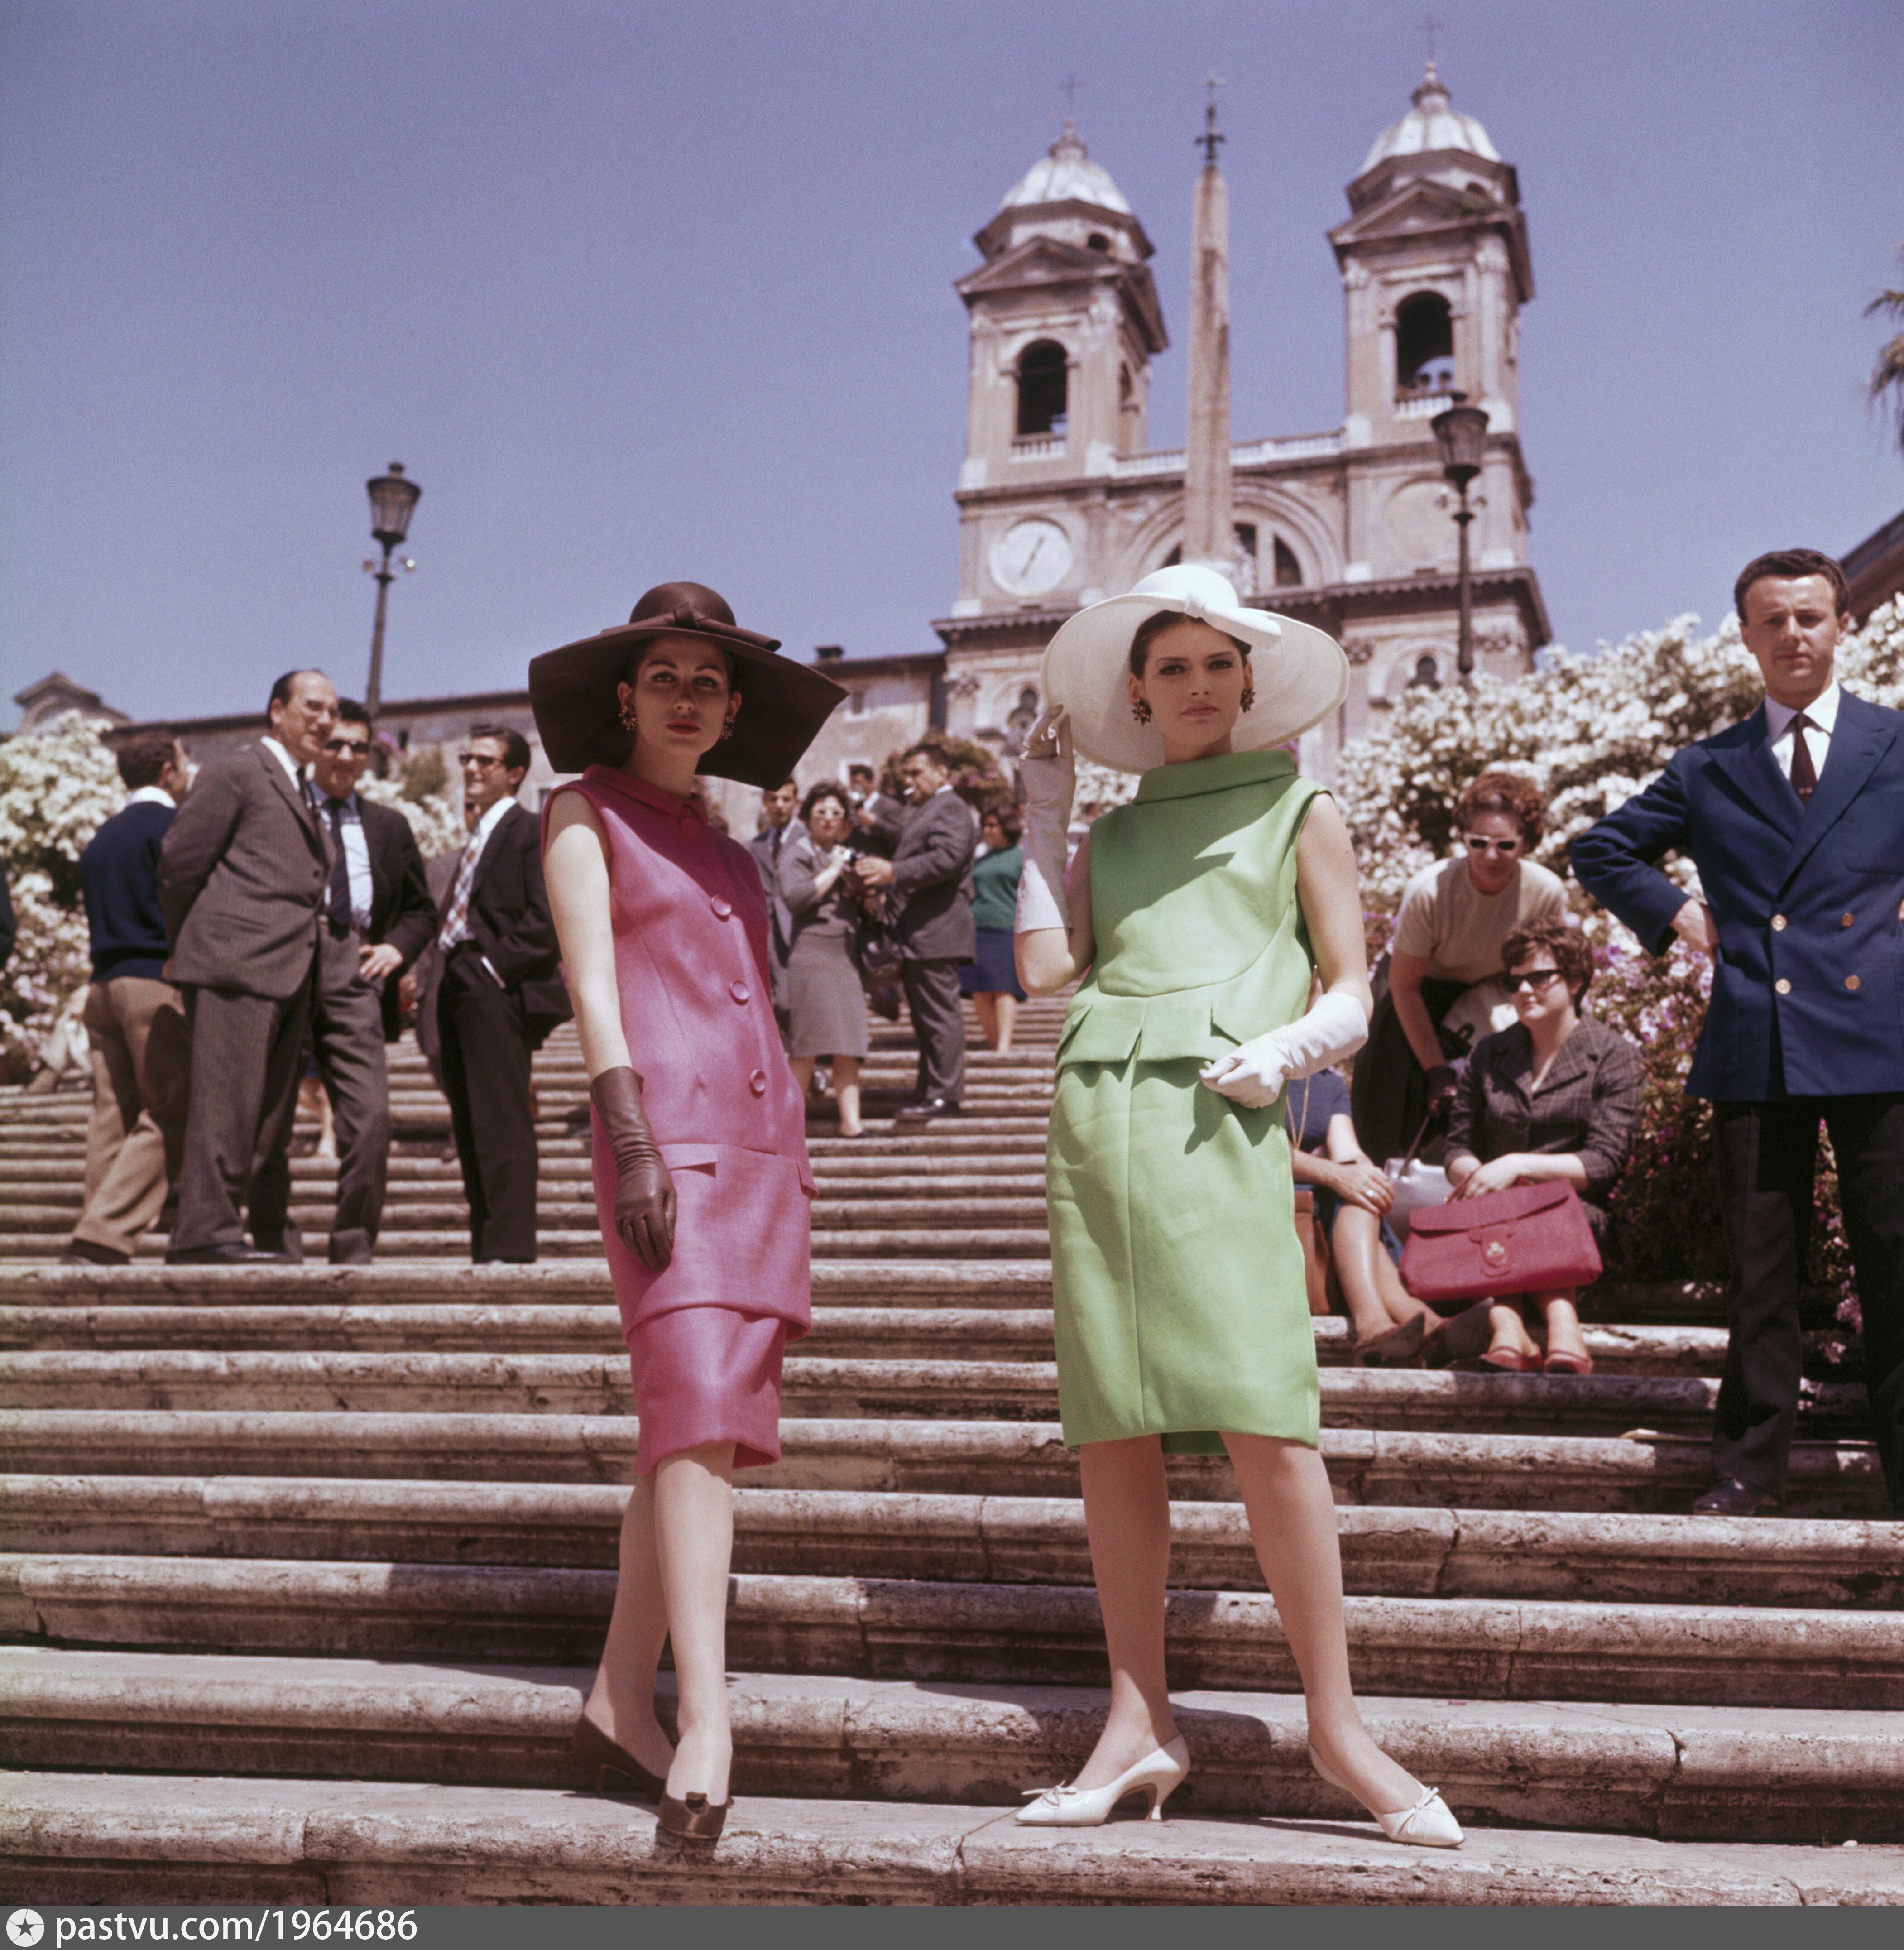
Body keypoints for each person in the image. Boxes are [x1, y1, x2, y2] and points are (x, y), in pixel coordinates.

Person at [1012, 564, 1461, 1847]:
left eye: (1218, 663)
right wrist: (1041, 818)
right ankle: (1135, 1720)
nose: (1197, 684)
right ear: (1137, 693)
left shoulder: (1298, 807)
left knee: (1267, 1421)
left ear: (1249, 681)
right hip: (1095, 1125)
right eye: (1171, 667)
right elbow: (1043, 970)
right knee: (1111, 1429)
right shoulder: (1112, 837)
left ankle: (1336, 1728)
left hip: (1222, 1116)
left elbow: (1351, 988)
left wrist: (1287, 1051)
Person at [531, 579, 844, 1841]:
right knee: (700, 1412)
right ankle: (704, 1713)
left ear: (729, 712)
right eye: (662, 675)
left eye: (707, 682)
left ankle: (619, 1695)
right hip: (664, 1144)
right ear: (624, 696)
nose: (684, 696)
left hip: (762, 1154)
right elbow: (591, 986)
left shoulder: (728, 845)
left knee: (688, 1430)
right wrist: (630, 1142)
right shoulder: (580, 810)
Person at [1573, 546, 1904, 1517]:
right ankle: (1748, 1473)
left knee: (1896, 1264)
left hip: (1882, 1035)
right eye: (1773, 620)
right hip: (1759, 1037)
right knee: (1761, 1275)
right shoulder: (1708, 765)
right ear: (1747, 636)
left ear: (1841, 626)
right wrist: (1680, 914)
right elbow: (1601, 848)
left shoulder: (1894, 741)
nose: (1792, 634)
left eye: (1809, 616)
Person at [159, 670, 339, 1264]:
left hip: (290, 969)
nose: (325, 721)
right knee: (225, 1104)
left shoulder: (303, 787)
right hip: (235, 965)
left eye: (333, 711)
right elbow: (181, 862)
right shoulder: (237, 770)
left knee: (266, 1116)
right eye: (313, 707)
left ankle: (237, 1230)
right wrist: (195, 944)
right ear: (277, 711)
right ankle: (202, 1232)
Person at [252, 701, 437, 1264]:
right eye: (336, 743)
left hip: (353, 968)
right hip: (284, 964)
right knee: (268, 1117)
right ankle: (272, 1241)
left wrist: (396, 948)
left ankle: (353, 1244)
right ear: (317, 747)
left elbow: (419, 909)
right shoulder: (282, 810)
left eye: (359, 746)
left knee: (370, 1116)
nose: (347, 756)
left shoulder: (388, 825)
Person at [1439, 919, 1644, 1374]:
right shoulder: (1489, 1053)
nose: (1524, 990)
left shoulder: (1612, 1055)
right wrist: (1477, 1175)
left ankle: (1508, 1327)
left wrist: (1516, 1165)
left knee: (1524, 1201)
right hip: (1491, 1212)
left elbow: (1603, 1162)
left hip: (1576, 1216)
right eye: (1514, 981)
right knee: (1508, 1203)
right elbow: (1456, 1147)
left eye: (1539, 977)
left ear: (1575, 981)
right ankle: (1558, 1330)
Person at [1351, 772, 1568, 1167]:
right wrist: (1437, 1070)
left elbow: (1542, 974)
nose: (1490, 856)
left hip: (1485, 994)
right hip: (1414, 992)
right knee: (1388, 1120)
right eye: (1477, 843)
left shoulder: (1545, 891)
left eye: (1505, 845)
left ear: (1527, 843)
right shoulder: (1430, 890)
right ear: (1463, 838)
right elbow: (1405, 988)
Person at [434, 723, 570, 1265]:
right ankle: (485, 1245)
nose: (471, 768)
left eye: (484, 761)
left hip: (493, 982)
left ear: (515, 773)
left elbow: (547, 916)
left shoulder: (529, 829)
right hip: (456, 979)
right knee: (469, 1121)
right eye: (467, 759)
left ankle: (510, 1249)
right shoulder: (477, 835)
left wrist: (493, 967)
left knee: (501, 1119)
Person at [62, 730, 193, 1266]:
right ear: (167, 770)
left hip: (102, 985)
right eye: (184, 762)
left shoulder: (101, 836)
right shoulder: (173, 827)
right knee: (175, 1104)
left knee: (112, 1113)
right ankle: (105, 1233)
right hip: (151, 980)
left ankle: (96, 1223)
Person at [1284, 1052, 1437, 1364]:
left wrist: (1369, 1178)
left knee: (1362, 1192)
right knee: (1347, 1187)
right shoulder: (1250, 1069)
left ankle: (1394, 1328)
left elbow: (1348, 1152)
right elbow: (1260, 1150)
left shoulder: (1326, 1082)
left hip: (1315, 1195)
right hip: (1262, 1189)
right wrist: (1336, 1174)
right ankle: (1416, 1326)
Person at [854, 744, 977, 1124]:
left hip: (936, 931)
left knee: (938, 1018)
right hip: (920, 932)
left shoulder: (950, 807)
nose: (909, 781)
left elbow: (947, 858)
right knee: (927, 1022)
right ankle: (930, 1093)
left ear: (942, 773)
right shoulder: (928, 808)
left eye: (916, 773)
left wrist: (894, 872)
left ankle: (944, 1096)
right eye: (906, 774)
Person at [779, 783, 868, 1137]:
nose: (829, 819)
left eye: (836, 813)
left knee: (849, 1043)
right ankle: (788, 1129)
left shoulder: (846, 854)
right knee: (808, 1045)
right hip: (812, 953)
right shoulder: (796, 853)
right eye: (821, 812)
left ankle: (852, 1124)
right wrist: (833, 870)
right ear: (807, 816)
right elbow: (795, 899)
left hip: (844, 952)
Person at [963, 804, 1026, 1052]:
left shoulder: (1021, 857)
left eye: (993, 825)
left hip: (1005, 928)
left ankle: (1004, 1045)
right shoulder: (981, 859)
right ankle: (993, 1042)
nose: (987, 830)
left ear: (1007, 827)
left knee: (1003, 988)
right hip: (976, 927)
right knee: (978, 991)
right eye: (985, 826)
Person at [745, 781, 800, 1033]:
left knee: (798, 1002)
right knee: (778, 1002)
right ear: (764, 802)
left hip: (801, 931)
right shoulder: (753, 847)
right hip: (767, 934)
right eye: (773, 799)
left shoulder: (808, 840)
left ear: (796, 802)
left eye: (786, 799)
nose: (780, 806)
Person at [848, 761, 904, 859]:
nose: (857, 788)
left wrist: (876, 823)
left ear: (871, 782)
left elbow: (899, 834)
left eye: (859, 783)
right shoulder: (854, 808)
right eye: (854, 784)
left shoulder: (890, 805)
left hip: (883, 859)